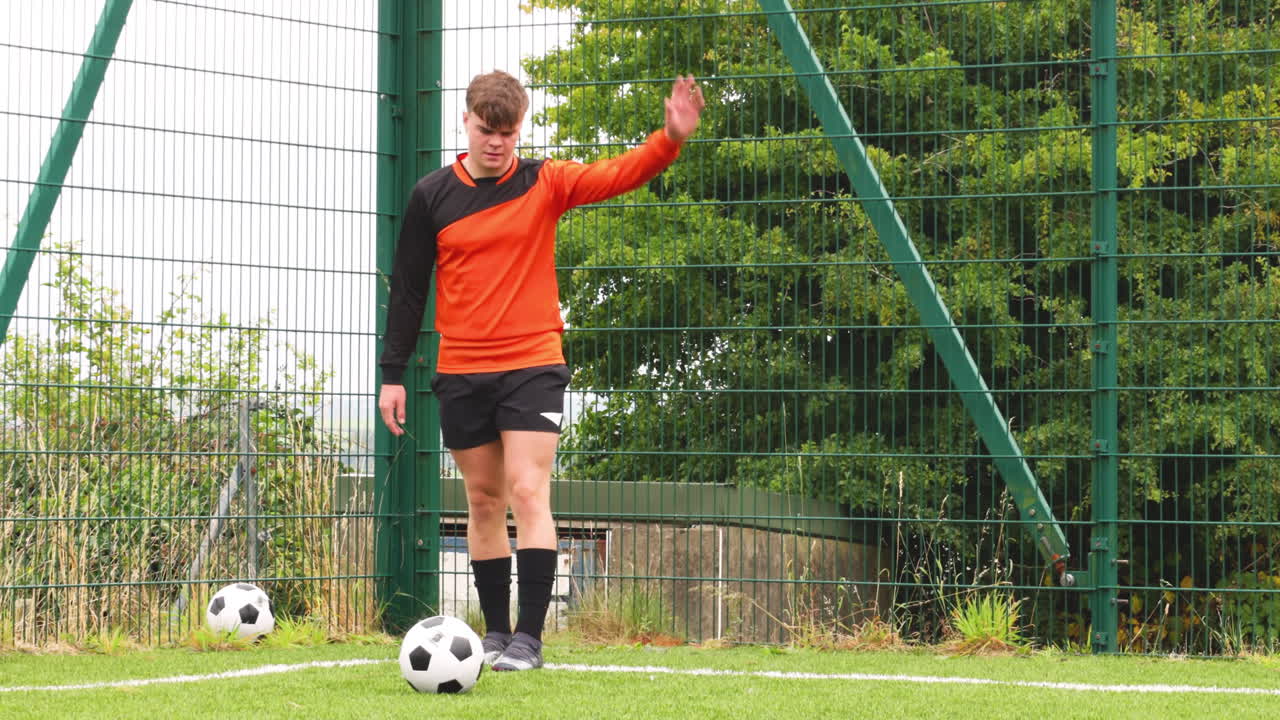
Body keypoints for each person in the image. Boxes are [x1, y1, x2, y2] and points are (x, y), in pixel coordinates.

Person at [378, 70, 705, 671]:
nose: (497, 143)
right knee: (482, 500)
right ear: (467, 122)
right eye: (486, 130)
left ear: (519, 129)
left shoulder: (545, 182)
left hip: (532, 363)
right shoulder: (431, 196)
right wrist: (392, 373)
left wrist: (669, 140)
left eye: (508, 132)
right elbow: (408, 290)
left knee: (528, 490)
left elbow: (616, 175)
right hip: (462, 369)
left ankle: (530, 639)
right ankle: (496, 635)